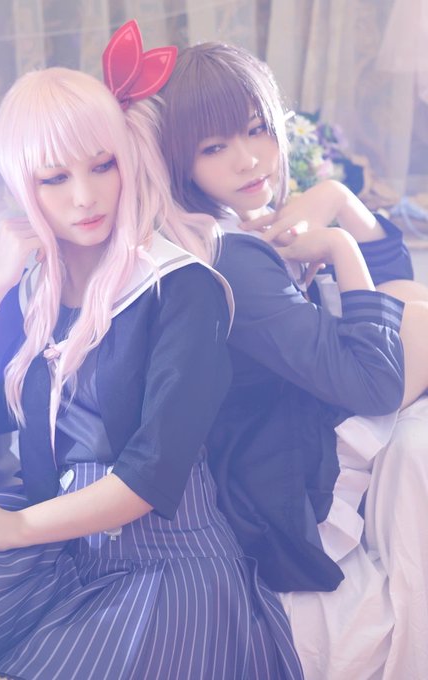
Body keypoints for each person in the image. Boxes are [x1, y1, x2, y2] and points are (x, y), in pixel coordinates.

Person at [0, 26, 304, 680]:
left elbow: (150, 477)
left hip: (165, 560)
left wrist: (13, 528)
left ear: (126, 160)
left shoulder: (181, 287)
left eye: (102, 165)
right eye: (54, 178)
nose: (84, 197)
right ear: (24, 186)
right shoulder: (33, 291)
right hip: (58, 547)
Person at [150, 41, 428, 677]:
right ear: (180, 161)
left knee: (408, 302)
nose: (247, 158)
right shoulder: (229, 255)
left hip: (277, 438)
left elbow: (394, 280)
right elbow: (374, 383)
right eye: (213, 147)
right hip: (278, 493)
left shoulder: (235, 221)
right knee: (417, 317)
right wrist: (339, 247)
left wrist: (337, 198)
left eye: (257, 130)